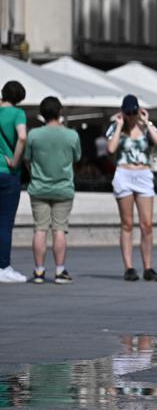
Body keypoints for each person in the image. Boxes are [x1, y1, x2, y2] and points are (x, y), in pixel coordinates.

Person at [106, 94, 157, 281]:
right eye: (128, 112)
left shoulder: (146, 127)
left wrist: (146, 122)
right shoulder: (117, 128)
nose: (131, 115)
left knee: (146, 224)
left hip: (143, 175)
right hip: (124, 173)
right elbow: (111, 149)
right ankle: (129, 267)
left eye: (134, 111)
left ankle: (148, 267)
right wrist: (118, 125)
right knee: (127, 223)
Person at [23, 97, 81, 285]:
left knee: (40, 229)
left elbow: (27, 158)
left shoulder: (33, 135)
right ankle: (59, 271)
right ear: (60, 111)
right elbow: (77, 157)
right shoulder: (71, 135)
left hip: (39, 187)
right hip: (63, 188)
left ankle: (39, 271)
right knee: (59, 230)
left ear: (42, 114)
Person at [0, 81, 28, 283]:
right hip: (8, 173)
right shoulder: (18, 114)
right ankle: (3, 266)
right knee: (5, 222)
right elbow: (22, 137)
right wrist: (15, 160)